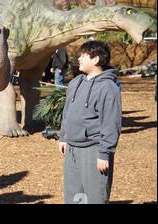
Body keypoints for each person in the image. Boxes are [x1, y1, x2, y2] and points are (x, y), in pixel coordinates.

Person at [58, 41, 122, 204]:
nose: (79, 59)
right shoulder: (75, 83)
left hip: (93, 150)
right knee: (73, 196)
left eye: (83, 56)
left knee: (95, 196)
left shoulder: (108, 88)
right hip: (72, 149)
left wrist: (104, 153)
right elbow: (67, 112)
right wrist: (64, 137)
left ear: (96, 59)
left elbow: (111, 122)